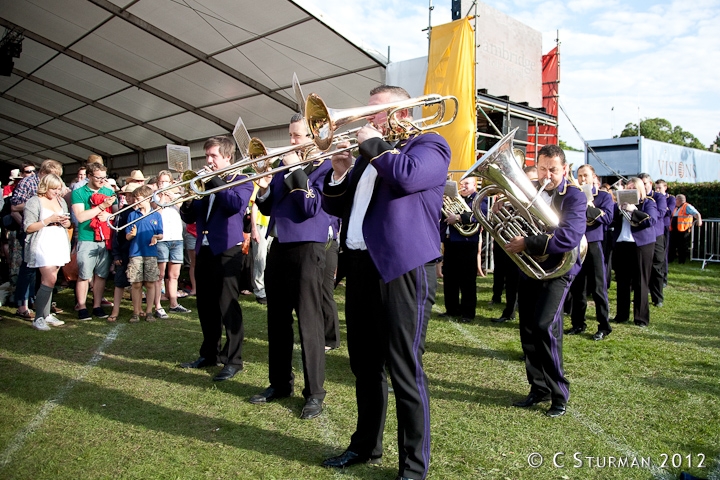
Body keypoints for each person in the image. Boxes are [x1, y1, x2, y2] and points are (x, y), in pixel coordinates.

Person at [320, 85, 450, 480]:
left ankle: (414, 466)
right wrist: (340, 171)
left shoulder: (430, 144)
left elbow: (408, 178)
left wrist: (374, 146)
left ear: (403, 112)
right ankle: (365, 445)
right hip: (361, 266)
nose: (364, 118)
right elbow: (335, 205)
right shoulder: (368, 154)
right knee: (364, 365)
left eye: (374, 111)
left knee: (404, 368)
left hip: (404, 267)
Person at [249, 113, 331, 420]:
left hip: (308, 248)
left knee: (309, 322)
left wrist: (295, 166)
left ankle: (315, 393)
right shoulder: (286, 169)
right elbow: (269, 206)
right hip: (279, 246)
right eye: (291, 135)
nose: (291, 142)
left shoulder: (324, 166)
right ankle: (280, 383)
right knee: (277, 320)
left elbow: (310, 206)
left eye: (297, 136)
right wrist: (265, 183)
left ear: (312, 137)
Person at [506, 144, 586, 418]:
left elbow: (569, 237)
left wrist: (527, 241)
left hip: (559, 270)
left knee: (545, 327)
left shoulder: (574, 197)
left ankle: (558, 393)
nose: (547, 174)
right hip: (530, 269)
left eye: (553, 169)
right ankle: (537, 387)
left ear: (564, 169)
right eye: (542, 168)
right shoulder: (530, 192)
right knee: (528, 328)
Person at [179, 136, 253, 382]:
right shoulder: (205, 184)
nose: (208, 161)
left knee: (227, 305)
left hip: (228, 250)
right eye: (207, 156)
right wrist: (189, 198)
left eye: (214, 156)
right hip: (205, 249)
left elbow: (234, 206)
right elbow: (189, 217)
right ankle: (209, 354)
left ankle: (233, 359)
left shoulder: (241, 181)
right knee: (206, 305)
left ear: (228, 157)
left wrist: (214, 180)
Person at [566, 165, 614, 340]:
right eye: (579, 176)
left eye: (585, 175)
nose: (582, 179)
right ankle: (578, 323)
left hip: (593, 243)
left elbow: (608, 218)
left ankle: (604, 326)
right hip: (578, 244)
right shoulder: (575, 195)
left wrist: (589, 207)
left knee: (598, 287)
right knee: (577, 287)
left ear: (594, 177)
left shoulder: (603, 196)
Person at [10, 160, 63, 320]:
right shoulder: (28, 182)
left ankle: (42, 306)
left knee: (47, 275)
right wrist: (40, 206)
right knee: (28, 271)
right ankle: (22, 305)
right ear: (44, 173)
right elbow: (14, 206)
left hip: (50, 235)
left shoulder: (54, 192)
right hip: (32, 233)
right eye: (53, 177)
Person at [22, 174, 71, 331]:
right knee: (48, 279)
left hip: (59, 240)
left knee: (52, 278)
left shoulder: (60, 200)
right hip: (43, 241)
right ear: (45, 187)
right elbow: (28, 227)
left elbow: (69, 223)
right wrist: (48, 220)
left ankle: (46, 313)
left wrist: (65, 222)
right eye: (54, 189)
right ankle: (38, 318)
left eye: (59, 189)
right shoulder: (34, 201)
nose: (57, 192)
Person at [71, 162, 116, 320]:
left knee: (101, 275)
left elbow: (117, 214)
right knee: (84, 274)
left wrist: (110, 216)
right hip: (87, 237)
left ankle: (97, 305)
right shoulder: (79, 192)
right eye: (99, 178)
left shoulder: (109, 191)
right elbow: (81, 216)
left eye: (105, 178)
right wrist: (102, 207)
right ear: (89, 176)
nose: (102, 181)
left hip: (105, 238)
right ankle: (82, 306)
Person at [611, 177, 657, 327]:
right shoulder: (619, 205)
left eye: (633, 188)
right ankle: (622, 314)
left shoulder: (648, 203)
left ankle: (641, 318)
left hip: (641, 245)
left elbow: (651, 221)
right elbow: (612, 221)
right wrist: (619, 209)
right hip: (622, 243)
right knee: (622, 281)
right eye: (628, 188)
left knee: (641, 281)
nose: (630, 190)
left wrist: (634, 210)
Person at [440, 176, 480, 322]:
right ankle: (452, 309)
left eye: (467, 183)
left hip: (467, 242)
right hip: (451, 242)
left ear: (475, 185)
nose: (463, 186)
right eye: (461, 183)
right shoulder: (451, 198)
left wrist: (458, 217)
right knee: (450, 277)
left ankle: (468, 313)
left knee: (467, 279)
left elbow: (480, 215)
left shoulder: (478, 198)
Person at [153, 170, 191, 318]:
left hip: (177, 238)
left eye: (166, 182)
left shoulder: (176, 196)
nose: (164, 184)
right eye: (161, 182)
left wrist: (174, 199)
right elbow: (155, 215)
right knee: (160, 275)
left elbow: (184, 210)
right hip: (162, 240)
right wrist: (162, 201)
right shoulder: (155, 197)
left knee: (174, 274)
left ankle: (174, 303)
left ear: (171, 183)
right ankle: (157, 305)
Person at [125, 185, 163, 323]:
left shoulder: (156, 215)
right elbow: (127, 236)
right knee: (136, 283)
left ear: (147, 198)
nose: (136, 200)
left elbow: (161, 234)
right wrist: (131, 234)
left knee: (150, 283)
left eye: (138, 198)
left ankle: (149, 312)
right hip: (135, 253)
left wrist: (156, 237)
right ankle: (136, 312)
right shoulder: (132, 215)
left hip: (151, 253)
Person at [108, 183, 139, 323]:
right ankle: (115, 310)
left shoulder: (144, 211)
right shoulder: (121, 213)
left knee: (137, 282)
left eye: (134, 195)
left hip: (138, 252)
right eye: (128, 195)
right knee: (120, 282)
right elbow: (116, 235)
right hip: (124, 252)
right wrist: (116, 254)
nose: (131, 198)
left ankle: (137, 310)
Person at [638, 173, 667, 308]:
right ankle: (641, 295)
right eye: (641, 183)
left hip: (656, 234)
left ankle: (657, 297)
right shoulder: (637, 198)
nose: (643, 186)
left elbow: (660, 213)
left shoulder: (658, 197)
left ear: (650, 183)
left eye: (645, 183)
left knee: (656, 266)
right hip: (641, 236)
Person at [669, 194, 702, 264]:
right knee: (672, 244)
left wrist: (699, 220)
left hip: (684, 230)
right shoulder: (676, 208)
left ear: (679, 200)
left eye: (676, 199)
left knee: (682, 246)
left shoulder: (687, 206)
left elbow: (696, 213)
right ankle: (671, 259)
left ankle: (682, 261)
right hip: (675, 229)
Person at [655, 179, 675, 286]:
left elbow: (669, 212)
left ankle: (664, 277)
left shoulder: (670, 198)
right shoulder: (654, 197)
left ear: (665, 187)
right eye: (656, 188)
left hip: (665, 226)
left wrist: (662, 206)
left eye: (660, 188)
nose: (657, 190)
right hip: (657, 226)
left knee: (664, 252)